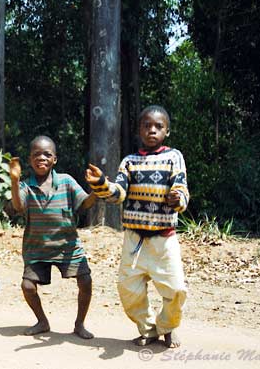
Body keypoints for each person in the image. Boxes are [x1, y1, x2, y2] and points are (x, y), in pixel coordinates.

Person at [85, 105, 189, 348]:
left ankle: (168, 327)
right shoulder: (129, 162)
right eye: (147, 125)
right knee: (128, 290)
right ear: (139, 130)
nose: (152, 130)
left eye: (158, 126)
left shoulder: (174, 157)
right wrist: (101, 183)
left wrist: (178, 199)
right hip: (134, 240)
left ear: (167, 131)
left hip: (164, 239)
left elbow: (181, 188)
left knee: (176, 289)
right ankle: (149, 329)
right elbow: (118, 194)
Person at [9, 135, 97, 339]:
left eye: (47, 154)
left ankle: (79, 323)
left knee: (85, 281)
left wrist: (98, 190)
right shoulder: (25, 186)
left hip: (68, 246)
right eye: (36, 154)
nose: (42, 158)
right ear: (30, 159)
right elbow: (18, 206)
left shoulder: (66, 181)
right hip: (37, 247)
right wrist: (14, 181)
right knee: (27, 286)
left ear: (54, 159)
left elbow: (85, 204)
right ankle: (42, 321)